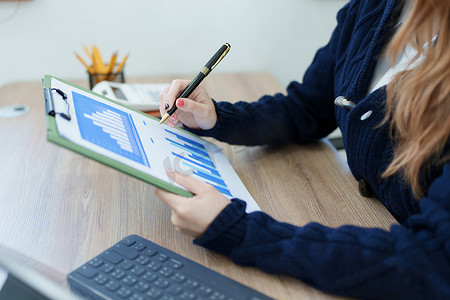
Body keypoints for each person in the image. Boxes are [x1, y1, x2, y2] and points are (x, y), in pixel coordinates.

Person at [155, 0, 450, 298]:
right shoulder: (372, 8)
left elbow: (432, 261)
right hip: (370, 220)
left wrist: (242, 231)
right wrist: (216, 117)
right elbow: (306, 108)